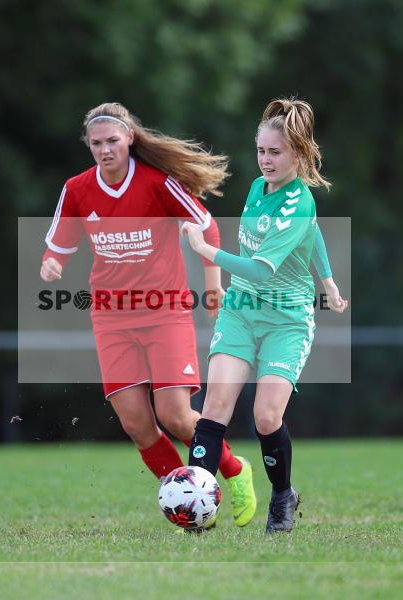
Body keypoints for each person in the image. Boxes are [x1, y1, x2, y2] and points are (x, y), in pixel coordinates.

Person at [40, 102, 257, 527]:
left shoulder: (158, 183)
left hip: (165, 312)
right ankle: (190, 506)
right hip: (111, 316)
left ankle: (234, 471)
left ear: (129, 139)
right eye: (97, 143)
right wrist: (53, 263)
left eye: (113, 141)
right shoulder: (78, 189)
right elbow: (59, 242)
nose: (105, 150)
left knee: (174, 415)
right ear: (89, 145)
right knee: (137, 423)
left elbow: (206, 226)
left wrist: (213, 287)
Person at [182, 98, 348, 533]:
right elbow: (313, 238)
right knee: (214, 405)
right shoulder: (259, 188)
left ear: (299, 153)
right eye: (261, 150)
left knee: (265, 416)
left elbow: (261, 266)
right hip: (241, 312)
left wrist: (205, 249)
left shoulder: (300, 202)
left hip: (287, 321)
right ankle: (195, 510)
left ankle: (282, 495)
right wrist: (328, 280)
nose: (266, 160)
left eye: (275, 152)